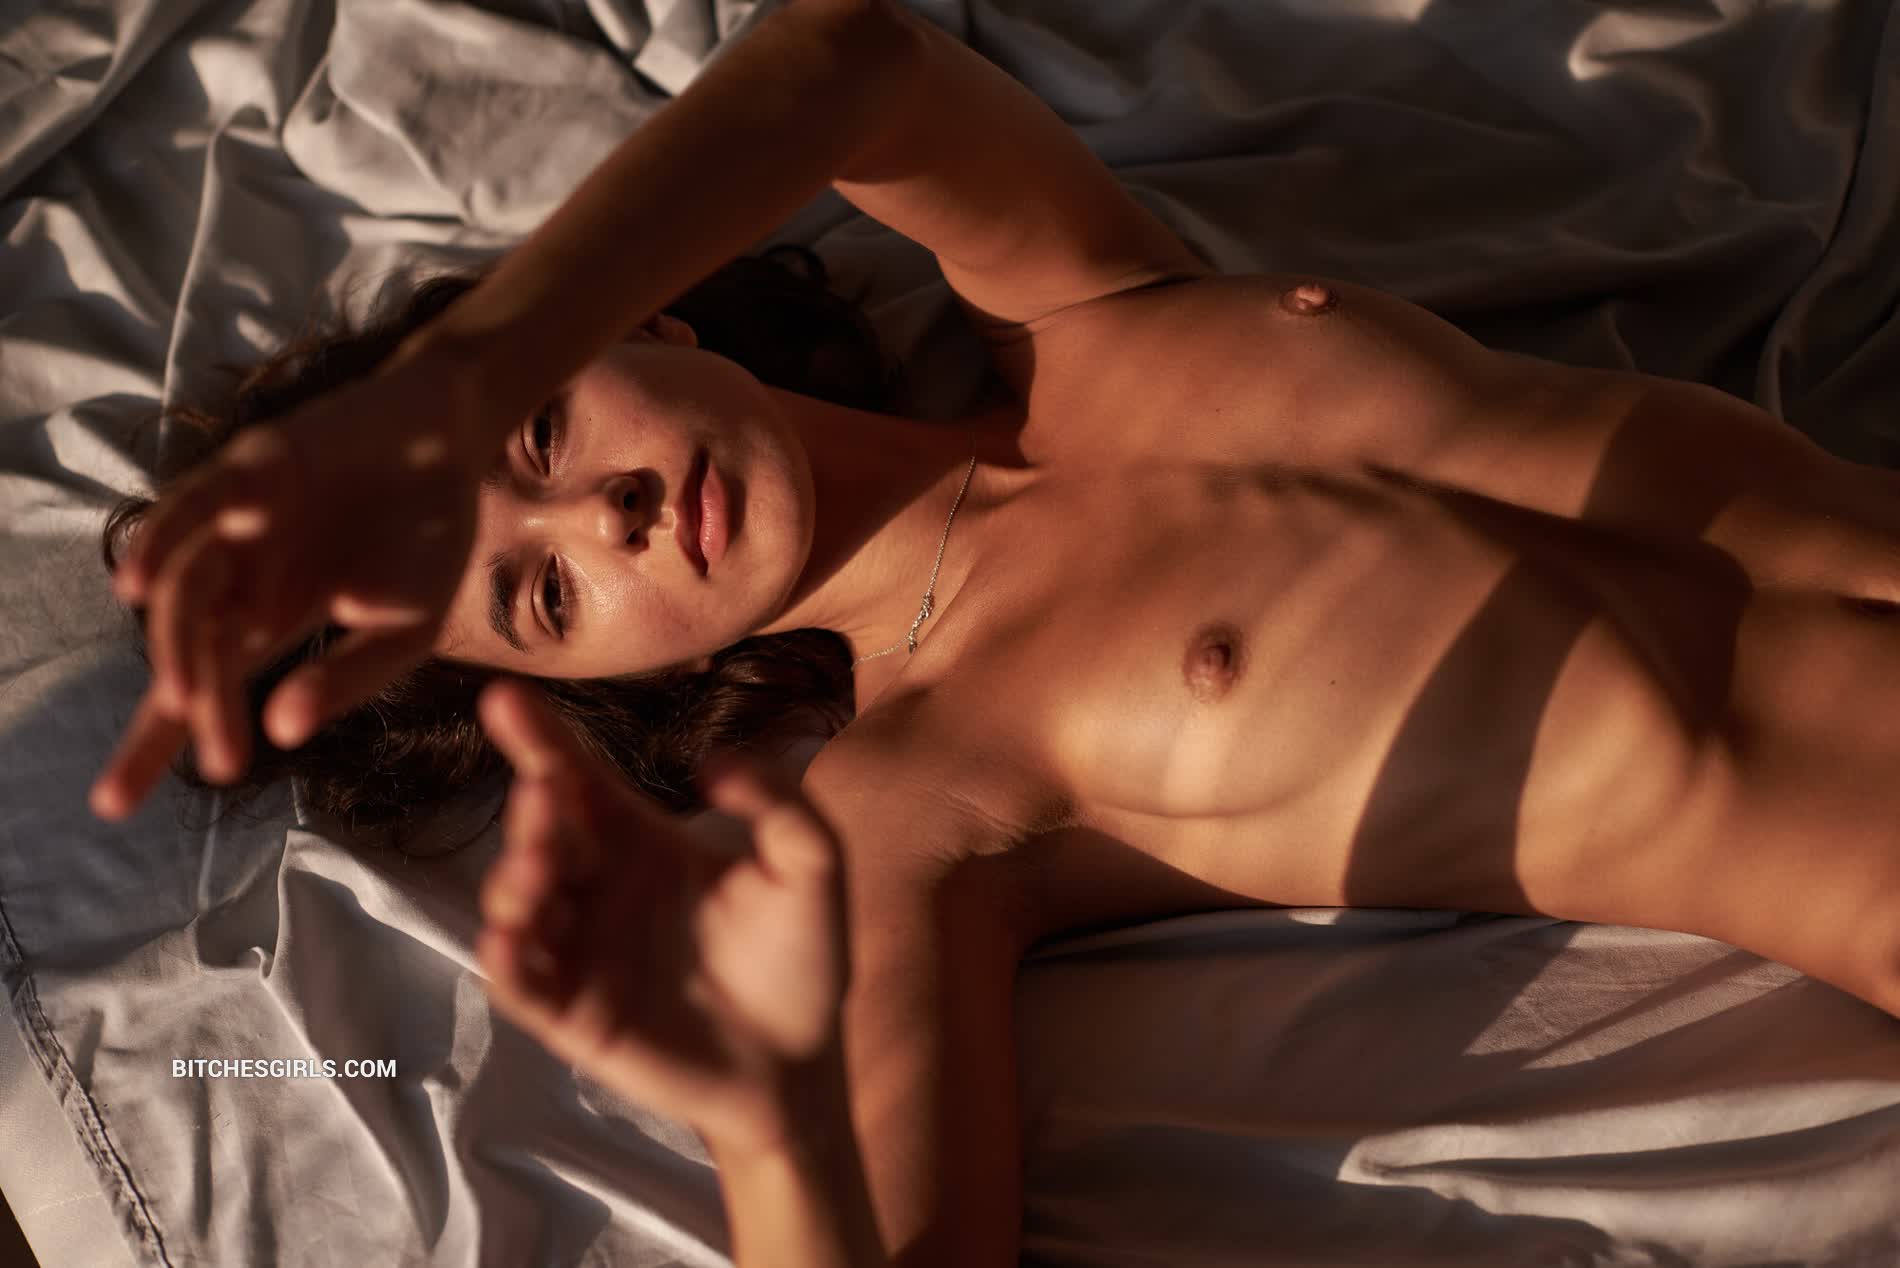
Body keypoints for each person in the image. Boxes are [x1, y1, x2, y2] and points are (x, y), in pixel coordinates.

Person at [85, 0, 1900, 1262]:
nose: (607, 514)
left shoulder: (1089, 305)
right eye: (545, 595)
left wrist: (467, 376)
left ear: (655, 322)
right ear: (608, 680)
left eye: (545, 438)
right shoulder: (914, 800)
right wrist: (764, 1130)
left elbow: (848, 59)